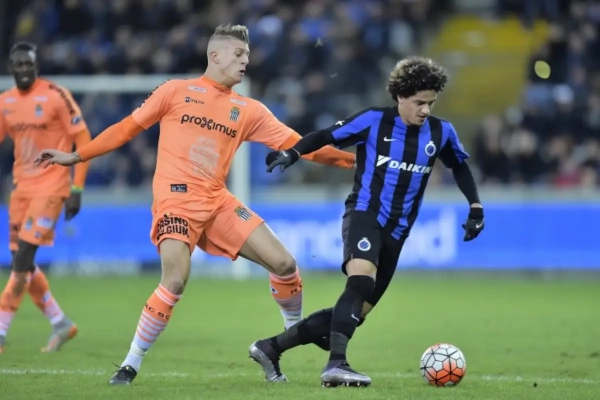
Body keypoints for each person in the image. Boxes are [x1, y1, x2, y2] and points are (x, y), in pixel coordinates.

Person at [34, 24, 356, 385]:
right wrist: (76, 156)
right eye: (239, 54)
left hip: (217, 201)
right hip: (175, 199)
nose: (246, 61)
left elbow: (300, 145)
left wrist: (353, 161)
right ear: (215, 55)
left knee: (284, 264)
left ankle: (289, 337)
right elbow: (126, 128)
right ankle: (130, 365)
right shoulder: (174, 91)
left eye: (248, 55)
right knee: (175, 279)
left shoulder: (248, 109)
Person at [249, 56, 485, 387]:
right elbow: (326, 135)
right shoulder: (374, 120)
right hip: (364, 213)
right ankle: (336, 365)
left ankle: (269, 348)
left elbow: (459, 166)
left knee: (354, 314)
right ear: (400, 96)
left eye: (431, 103)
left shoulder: (441, 131)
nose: (425, 110)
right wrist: (293, 152)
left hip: (398, 231)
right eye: (419, 102)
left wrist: (475, 207)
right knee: (360, 281)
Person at [0, 41, 91, 353]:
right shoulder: (5, 102)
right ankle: (60, 322)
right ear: (11, 68)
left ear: (37, 66)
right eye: (19, 64)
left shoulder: (55, 95)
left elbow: (83, 139)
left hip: (52, 188)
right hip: (20, 191)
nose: (24, 69)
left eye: (29, 64)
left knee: (23, 259)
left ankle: (0, 331)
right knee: (21, 262)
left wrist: (77, 188)